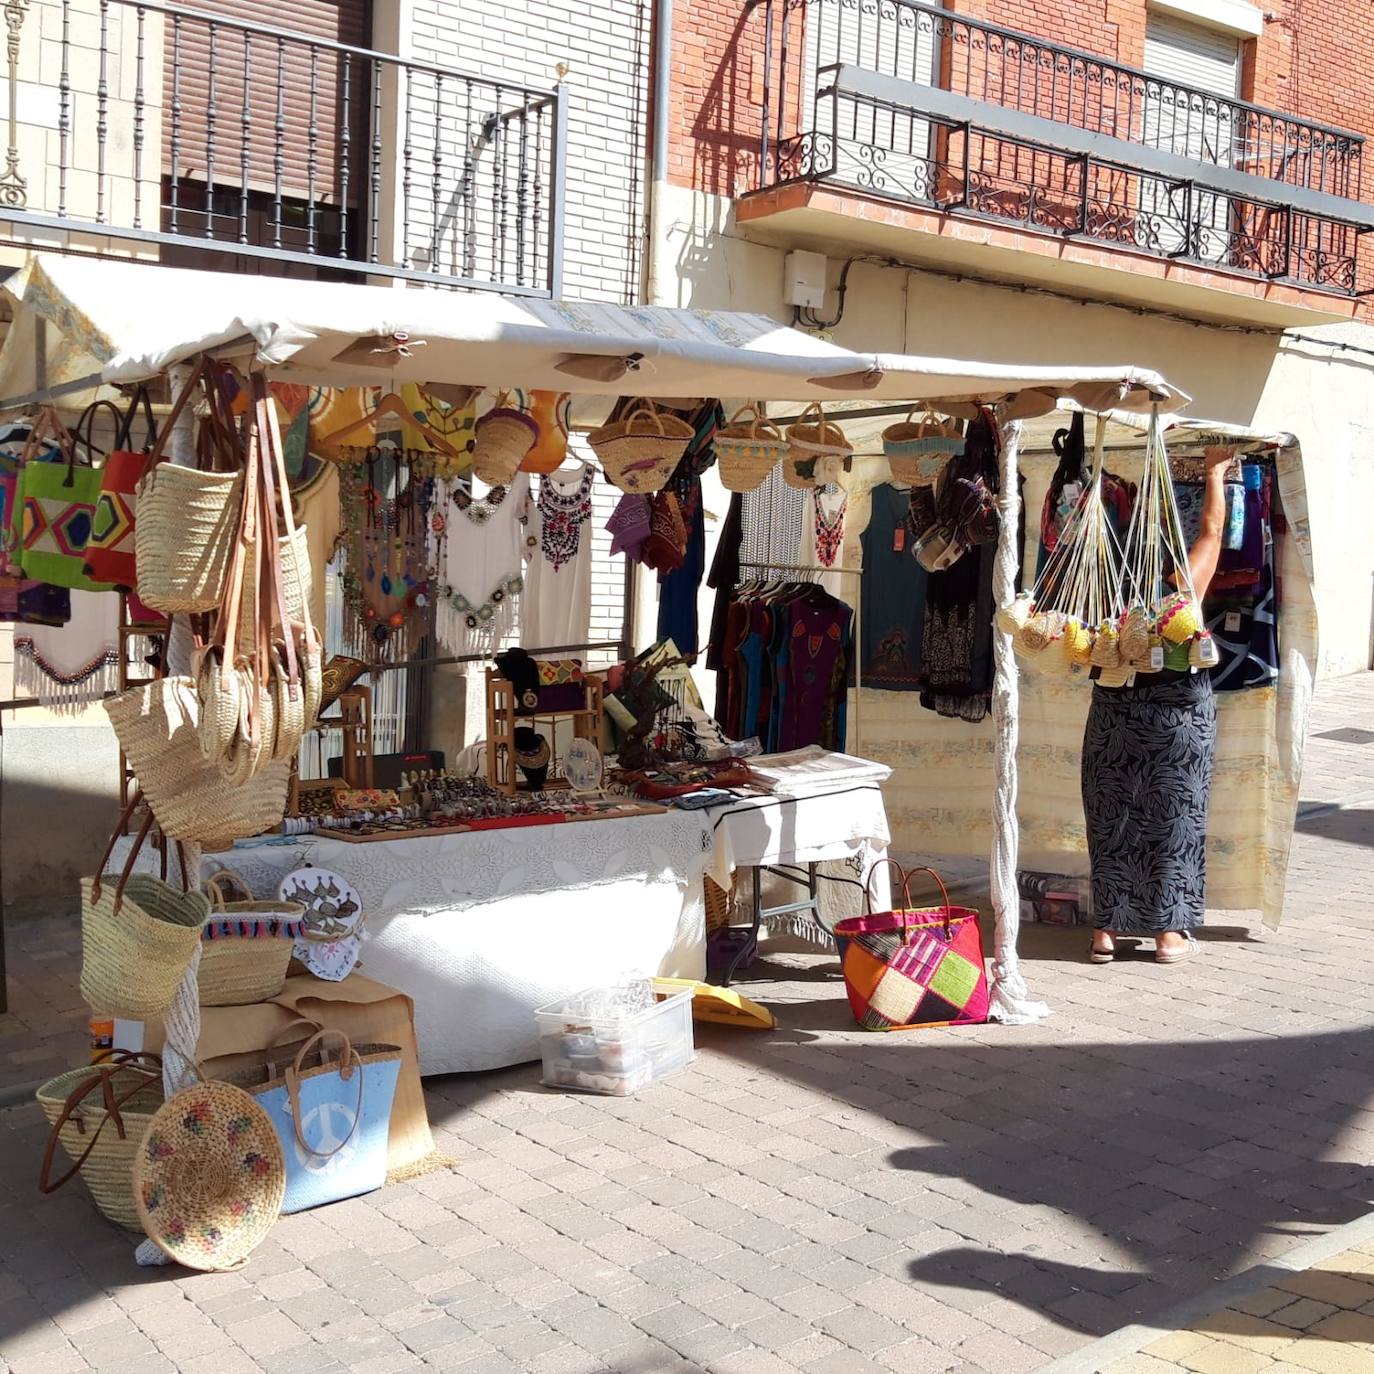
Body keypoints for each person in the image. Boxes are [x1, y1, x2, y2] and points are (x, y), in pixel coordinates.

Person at [1083, 446, 1231, 966]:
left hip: (1115, 709)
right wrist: (1215, 471)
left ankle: (1106, 931)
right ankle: (1169, 934)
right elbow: (1212, 530)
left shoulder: (1106, 584)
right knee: (1175, 816)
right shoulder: (1183, 586)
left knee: (1113, 814)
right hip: (1177, 714)